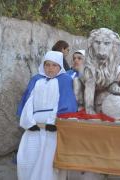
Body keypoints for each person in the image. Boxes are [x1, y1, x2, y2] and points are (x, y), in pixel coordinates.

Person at [16, 51, 77, 180]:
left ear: (60, 66)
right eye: (47, 65)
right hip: (34, 127)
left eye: (54, 65)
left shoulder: (65, 80)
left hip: (52, 129)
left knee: (48, 163)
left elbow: (64, 102)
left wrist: (52, 122)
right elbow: (28, 101)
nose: (50, 68)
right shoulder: (36, 79)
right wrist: (29, 122)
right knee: (27, 158)